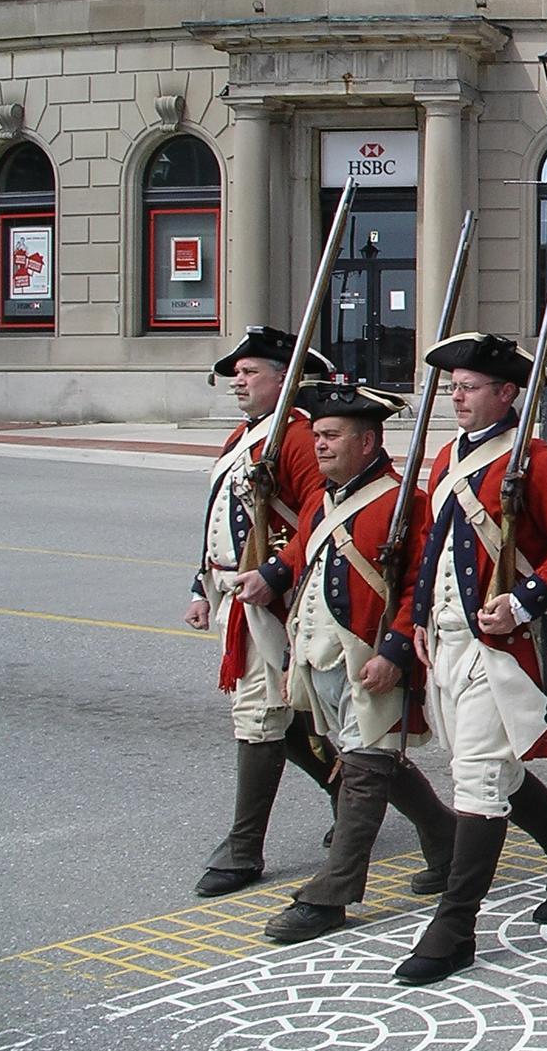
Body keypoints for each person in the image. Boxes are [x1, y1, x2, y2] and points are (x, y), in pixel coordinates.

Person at [396, 332, 547, 986]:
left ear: (507, 392)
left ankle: (456, 925)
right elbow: (430, 548)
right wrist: (417, 622)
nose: (456, 394)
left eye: (470, 385)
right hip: (450, 640)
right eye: (454, 385)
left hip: (502, 645)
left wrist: (523, 601)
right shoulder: (443, 460)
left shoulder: (536, 461)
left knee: (481, 780)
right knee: (489, 771)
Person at [240, 383, 457, 942]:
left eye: (331, 436)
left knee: (363, 769)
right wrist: (272, 575)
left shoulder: (401, 500)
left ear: (368, 442)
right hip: (320, 656)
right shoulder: (324, 497)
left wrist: (396, 649)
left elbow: (420, 586)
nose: (319, 446)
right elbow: (302, 551)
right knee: (373, 756)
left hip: (369, 655)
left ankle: (332, 894)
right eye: (316, 436)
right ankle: (446, 837)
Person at [187, 326, 334, 898]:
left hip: (274, 600)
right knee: (285, 712)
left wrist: (275, 574)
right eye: (237, 374)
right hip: (234, 593)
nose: (238, 382)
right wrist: (200, 587)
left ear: (284, 378)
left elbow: (324, 518)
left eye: (250, 373)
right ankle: (352, 797)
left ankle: (243, 847)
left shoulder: (295, 439)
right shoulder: (245, 438)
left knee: (260, 715)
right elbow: (219, 518)